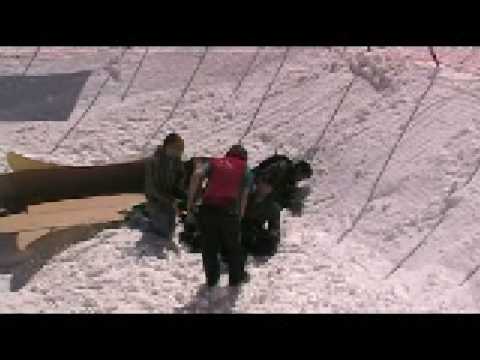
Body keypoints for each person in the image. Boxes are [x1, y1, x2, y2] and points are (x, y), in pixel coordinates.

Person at [186, 144, 254, 289]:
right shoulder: (245, 169)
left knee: (209, 247)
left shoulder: (214, 163)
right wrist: (239, 216)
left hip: (207, 210)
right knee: (233, 247)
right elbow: (244, 195)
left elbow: (197, 175)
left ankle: (212, 280)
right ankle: (235, 280)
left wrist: (190, 203)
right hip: (229, 211)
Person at [144, 133, 186, 242]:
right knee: (161, 233)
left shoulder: (176, 161)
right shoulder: (153, 162)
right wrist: (169, 199)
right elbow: (151, 188)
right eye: (177, 149)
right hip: (156, 202)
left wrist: (181, 194)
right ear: (168, 147)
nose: (179, 152)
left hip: (169, 203)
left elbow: (179, 179)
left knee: (170, 231)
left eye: (181, 149)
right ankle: (140, 220)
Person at [241, 173, 282, 257]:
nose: (263, 187)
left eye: (267, 185)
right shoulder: (245, 196)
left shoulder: (272, 207)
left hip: (255, 230)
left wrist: (272, 236)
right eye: (262, 183)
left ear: (271, 189)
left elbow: (274, 226)